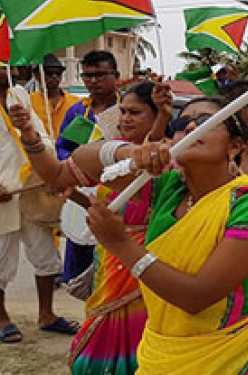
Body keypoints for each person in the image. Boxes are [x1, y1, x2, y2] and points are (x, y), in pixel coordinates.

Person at [42, 97, 248, 373]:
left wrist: (120, 244)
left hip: (231, 357)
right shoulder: (168, 188)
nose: (191, 127)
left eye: (206, 122)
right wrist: (128, 153)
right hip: (159, 354)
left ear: (234, 146)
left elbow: (197, 297)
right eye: (183, 123)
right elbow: (84, 161)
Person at [12, 82, 171, 372]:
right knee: (101, 342)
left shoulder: (171, 162)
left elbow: (151, 157)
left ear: (157, 115)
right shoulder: (105, 155)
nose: (125, 118)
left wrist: (160, 123)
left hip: (153, 261)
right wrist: (29, 134)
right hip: (111, 263)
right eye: (123, 111)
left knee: (144, 342)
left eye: (135, 112)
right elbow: (55, 174)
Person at [0, 71, 75, 344]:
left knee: (45, 255)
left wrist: (30, 134)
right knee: (0, 259)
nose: (8, 70)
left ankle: (47, 314)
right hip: (3, 193)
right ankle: (2, 319)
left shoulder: (18, 96)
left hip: (32, 188)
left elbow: (43, 137)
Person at [57, 50, 121, 283]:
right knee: (82, 258)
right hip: (82, 192)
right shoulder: (77, 111)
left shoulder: (127, 108)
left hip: (119, 193)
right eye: (88, 76)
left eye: (101, 75)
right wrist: (73, 164)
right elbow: (62, 147)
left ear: (116, 75)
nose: (93, 81)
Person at [29, 54, 81, 138]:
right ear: (37, 75)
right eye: (49, 73)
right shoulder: (29, 101)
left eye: (58, 73)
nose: (54, 76)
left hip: (67, 149)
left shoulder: (76, 102)